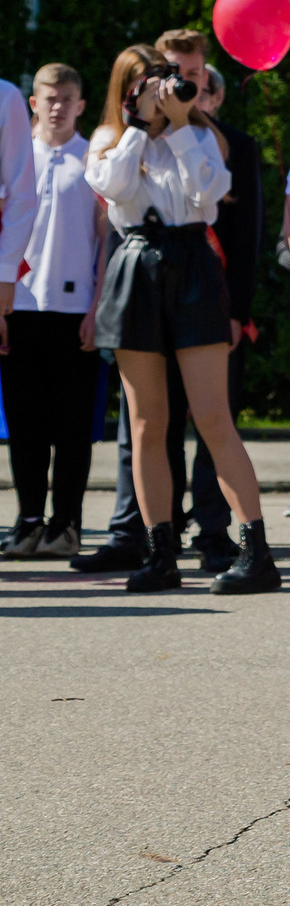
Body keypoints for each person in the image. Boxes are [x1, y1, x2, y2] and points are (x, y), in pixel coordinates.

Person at [86, 43, 275, 593]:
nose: (163, 90)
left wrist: (181, 125)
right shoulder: (108, 141)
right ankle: (159, 551)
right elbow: (115, 189)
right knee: (146, 423)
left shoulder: (203, 136)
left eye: (166, 80)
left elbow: (211, 194)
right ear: (127, 90)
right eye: (149, 82)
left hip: (192, 263)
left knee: (213, 416)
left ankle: (255, 549)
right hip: (136, 265)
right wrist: (140, 127)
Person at [2, 65, 104, 558]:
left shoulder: (94, 160)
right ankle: (27, 521)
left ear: (81, 105)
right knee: (24, 425)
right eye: (49, 98)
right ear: (32, 103)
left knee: (71, 428)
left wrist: (98, 306)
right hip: (19, 306)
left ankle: (66, 524)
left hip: (75, 310)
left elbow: (106, 239)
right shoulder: (16, 161)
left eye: (68, 98)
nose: (58, 106)